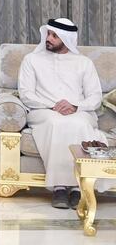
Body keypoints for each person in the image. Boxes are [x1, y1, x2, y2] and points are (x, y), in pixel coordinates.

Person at [18, 18, 107, 209]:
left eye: (54, 36)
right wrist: (52, 105)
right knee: (56, 123)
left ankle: (77, 188)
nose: (48, 38)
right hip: (42, 111)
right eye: (48, 34)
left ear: (66, 39)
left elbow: (95, 97)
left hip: (79, 110)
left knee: (80, 124)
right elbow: (26, 94)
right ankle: (59, 187)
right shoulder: (31, 60)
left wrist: (76, 106)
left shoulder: (84, 63)